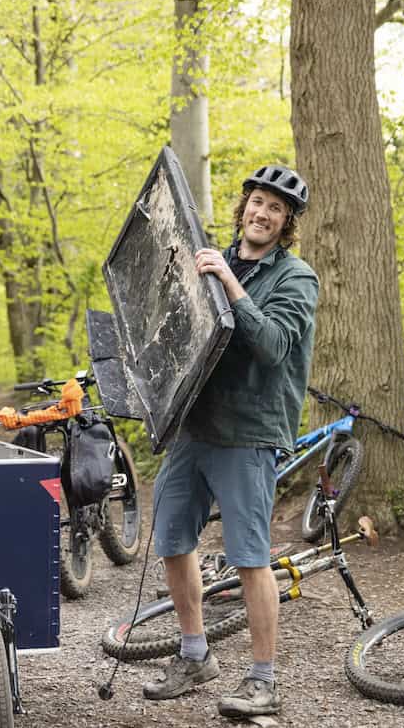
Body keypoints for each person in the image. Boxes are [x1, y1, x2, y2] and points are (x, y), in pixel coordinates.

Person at [141, 165, 318, 718]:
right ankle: (195, 656)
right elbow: (175, 330)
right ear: (244, 207)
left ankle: (263, 680)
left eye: (275, 209)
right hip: (194, 425)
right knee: (171, 540)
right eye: (257, 203)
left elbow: (271, 346)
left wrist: (231, 284)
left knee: (248, 557)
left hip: (249, 431)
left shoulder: (295, 278)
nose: (262, 214)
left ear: (286, 223)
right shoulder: (210, 257)